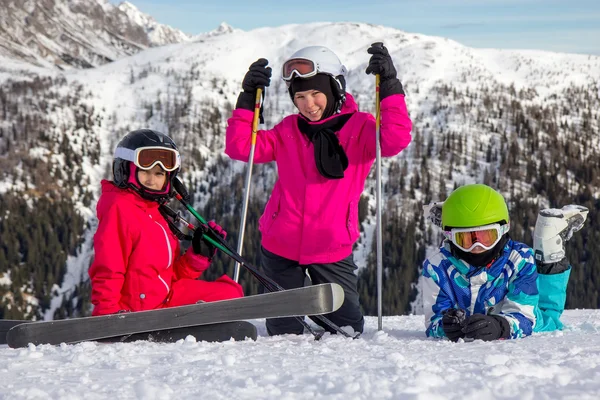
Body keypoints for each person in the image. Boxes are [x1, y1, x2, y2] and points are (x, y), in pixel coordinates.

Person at [225, 44, 412, 335]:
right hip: (280, 245)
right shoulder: (288, 130)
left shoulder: (360, 127)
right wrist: (248, 101)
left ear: (335, 88)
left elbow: (394, 140)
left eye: (315, 94)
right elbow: (240, 148)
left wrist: (389, 88)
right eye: (299, 96)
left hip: (332, 246)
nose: (308, 104)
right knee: (284, 333)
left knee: (347, 330)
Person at [89, 129, 243, 316]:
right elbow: (109, 267)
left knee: (231, 292)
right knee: (230, 298)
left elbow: (166, 276)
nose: (152, 180)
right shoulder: (120, 209)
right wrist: (107, 314)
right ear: (126, 170)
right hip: (139, 310)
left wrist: (196, 258)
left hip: (162, 299)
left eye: (159, 173)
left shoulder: (155, 213)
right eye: (145, 170)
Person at [422, 184, 588, 341]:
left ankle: (550, 237)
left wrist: (501, 326)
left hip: (531, 318)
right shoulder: (437, 267)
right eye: (465, 239)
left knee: (548, 315)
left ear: (504, 228)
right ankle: (457, 210)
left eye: (487, 237)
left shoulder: (519, 259)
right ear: (449, 236)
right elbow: (433, 322)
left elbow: (525, 317)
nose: (477, 247)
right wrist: (446, 327)